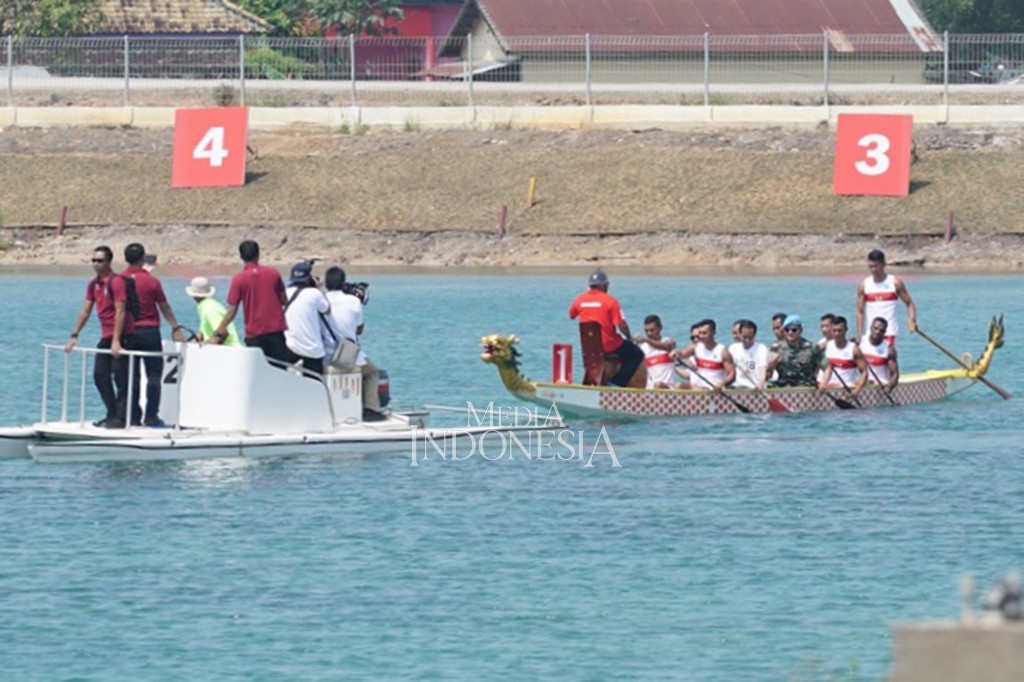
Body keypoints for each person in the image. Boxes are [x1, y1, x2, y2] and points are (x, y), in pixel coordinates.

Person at [64, 246, 136, 428]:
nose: (96, 264)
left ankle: (121, 417)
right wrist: (74, 335)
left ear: (109, 262)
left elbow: (121, 311)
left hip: (122, 334)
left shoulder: (116, 282)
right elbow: (86, 310)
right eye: (93, 260)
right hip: (106, 335)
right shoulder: (93, 284)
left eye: (100, 261)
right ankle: (111, 413)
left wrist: (116, 340)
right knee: (100, 375)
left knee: (121, 377)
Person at [121, 242, 187, 427]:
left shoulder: (119, 280)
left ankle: (133, 415)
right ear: (142, 259)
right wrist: (175, 327)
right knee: (154, 376)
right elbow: (164, 306)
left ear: (125, 259)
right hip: (149, 331)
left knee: (131, 376)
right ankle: (151, 415)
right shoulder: (151, 281)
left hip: (128, 331)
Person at [213, 240, 294, 364]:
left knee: (258, 369)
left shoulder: (239, 279)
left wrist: (219, 330)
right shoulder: (273, 273)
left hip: (255, 334)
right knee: (280, 370)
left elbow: (232, 310)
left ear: (241, 256)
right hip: (276, 331)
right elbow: (284, 300)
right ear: (258, 254)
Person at [323, 266, 382, 416]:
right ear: (343, 284)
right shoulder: (353, 302)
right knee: (372, 372)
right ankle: (371, 409)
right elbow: (359, 330)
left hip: (325, 355)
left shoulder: (320, 301)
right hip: (346, 356)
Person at [568, 269, 643, 387]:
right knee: (636, 354)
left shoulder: (579, 299)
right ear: (605, 286)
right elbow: (621, 324)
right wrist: (629, 337)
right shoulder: (611, 301)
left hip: (589, 346)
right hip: (609, 345)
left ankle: (591, 381)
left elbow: (571, 315)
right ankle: (616, 383)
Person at [856, 248, 917, 345]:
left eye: (876, 266)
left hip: (889, 332)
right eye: (870, 266)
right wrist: (860, 334)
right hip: (869, 333)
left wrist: (912, 319)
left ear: (883, 264)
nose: (873, 270)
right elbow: (860, 311)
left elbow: (909, 304)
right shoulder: (864, 285)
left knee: (887, 359)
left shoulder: (895, 283)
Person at [284, 261, 331, 378]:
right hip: (312, 350)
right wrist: (320, 287)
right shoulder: (314, 294)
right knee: (315, 385)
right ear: (309, 278)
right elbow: (327, 309)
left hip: (290, 347)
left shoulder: (285, 293)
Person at [671, 319, 735, 392]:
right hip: (698, 388)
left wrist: (723, 383)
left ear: (713, 332)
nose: (701, 336)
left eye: (704, 333)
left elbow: (732, 375)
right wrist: (676, 353)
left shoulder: (723, 352)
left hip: (714, 390)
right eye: (700, 333)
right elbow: (683, 354)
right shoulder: (695, 347)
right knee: (678, 386)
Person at [768, 314, 824, 387]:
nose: (790, 332)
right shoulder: (775, 348)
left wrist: (823, 385)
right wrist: (771, 365)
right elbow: (768, 374)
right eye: (787, 330)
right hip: (784, 385)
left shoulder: (810, 347)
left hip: (805, 386)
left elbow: (826, 367)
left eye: (794, 330)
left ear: (800, 330)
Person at [186, 277, 241, 347]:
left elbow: (223, 333)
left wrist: (205, 345)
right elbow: (203, 333)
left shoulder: (208, 308)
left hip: (231, 350)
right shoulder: (207, 305)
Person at [818, 315, 866, 395]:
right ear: (831, 331)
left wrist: (857, 391)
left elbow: (864, 372)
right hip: (824, 388)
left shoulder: (854, 349)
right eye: (834, 330)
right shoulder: (824, 346)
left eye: (840, 331)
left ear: (846, 330)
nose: (837, 334)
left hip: (844, 389)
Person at [634, 314, 677, 389]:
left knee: (658, 385)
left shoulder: (668, 341)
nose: (649, 333)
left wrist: (646, 340)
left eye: (652, 330)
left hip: (667, 388)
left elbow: (667, 347)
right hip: (651, 390)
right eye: (646, 331)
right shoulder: (643, 348)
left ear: (660, 328)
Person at [858, 316, 899, 392]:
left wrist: (889, 388)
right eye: (875, 328)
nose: (877, 332)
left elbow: (894, 374)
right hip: (860, 382)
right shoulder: (860, 342)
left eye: (881, 330)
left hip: (880, 384)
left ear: (885, 332)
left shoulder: (889, 349)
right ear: (870, 328)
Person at [729, 319, 769, 390]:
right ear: (740, 334)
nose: (747, 340)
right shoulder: (733, 348)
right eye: (744, 337)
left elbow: (762, 368)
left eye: (750, 337)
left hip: (754, 387)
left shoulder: (761, 348)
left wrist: (761, 383)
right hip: (737, 387)